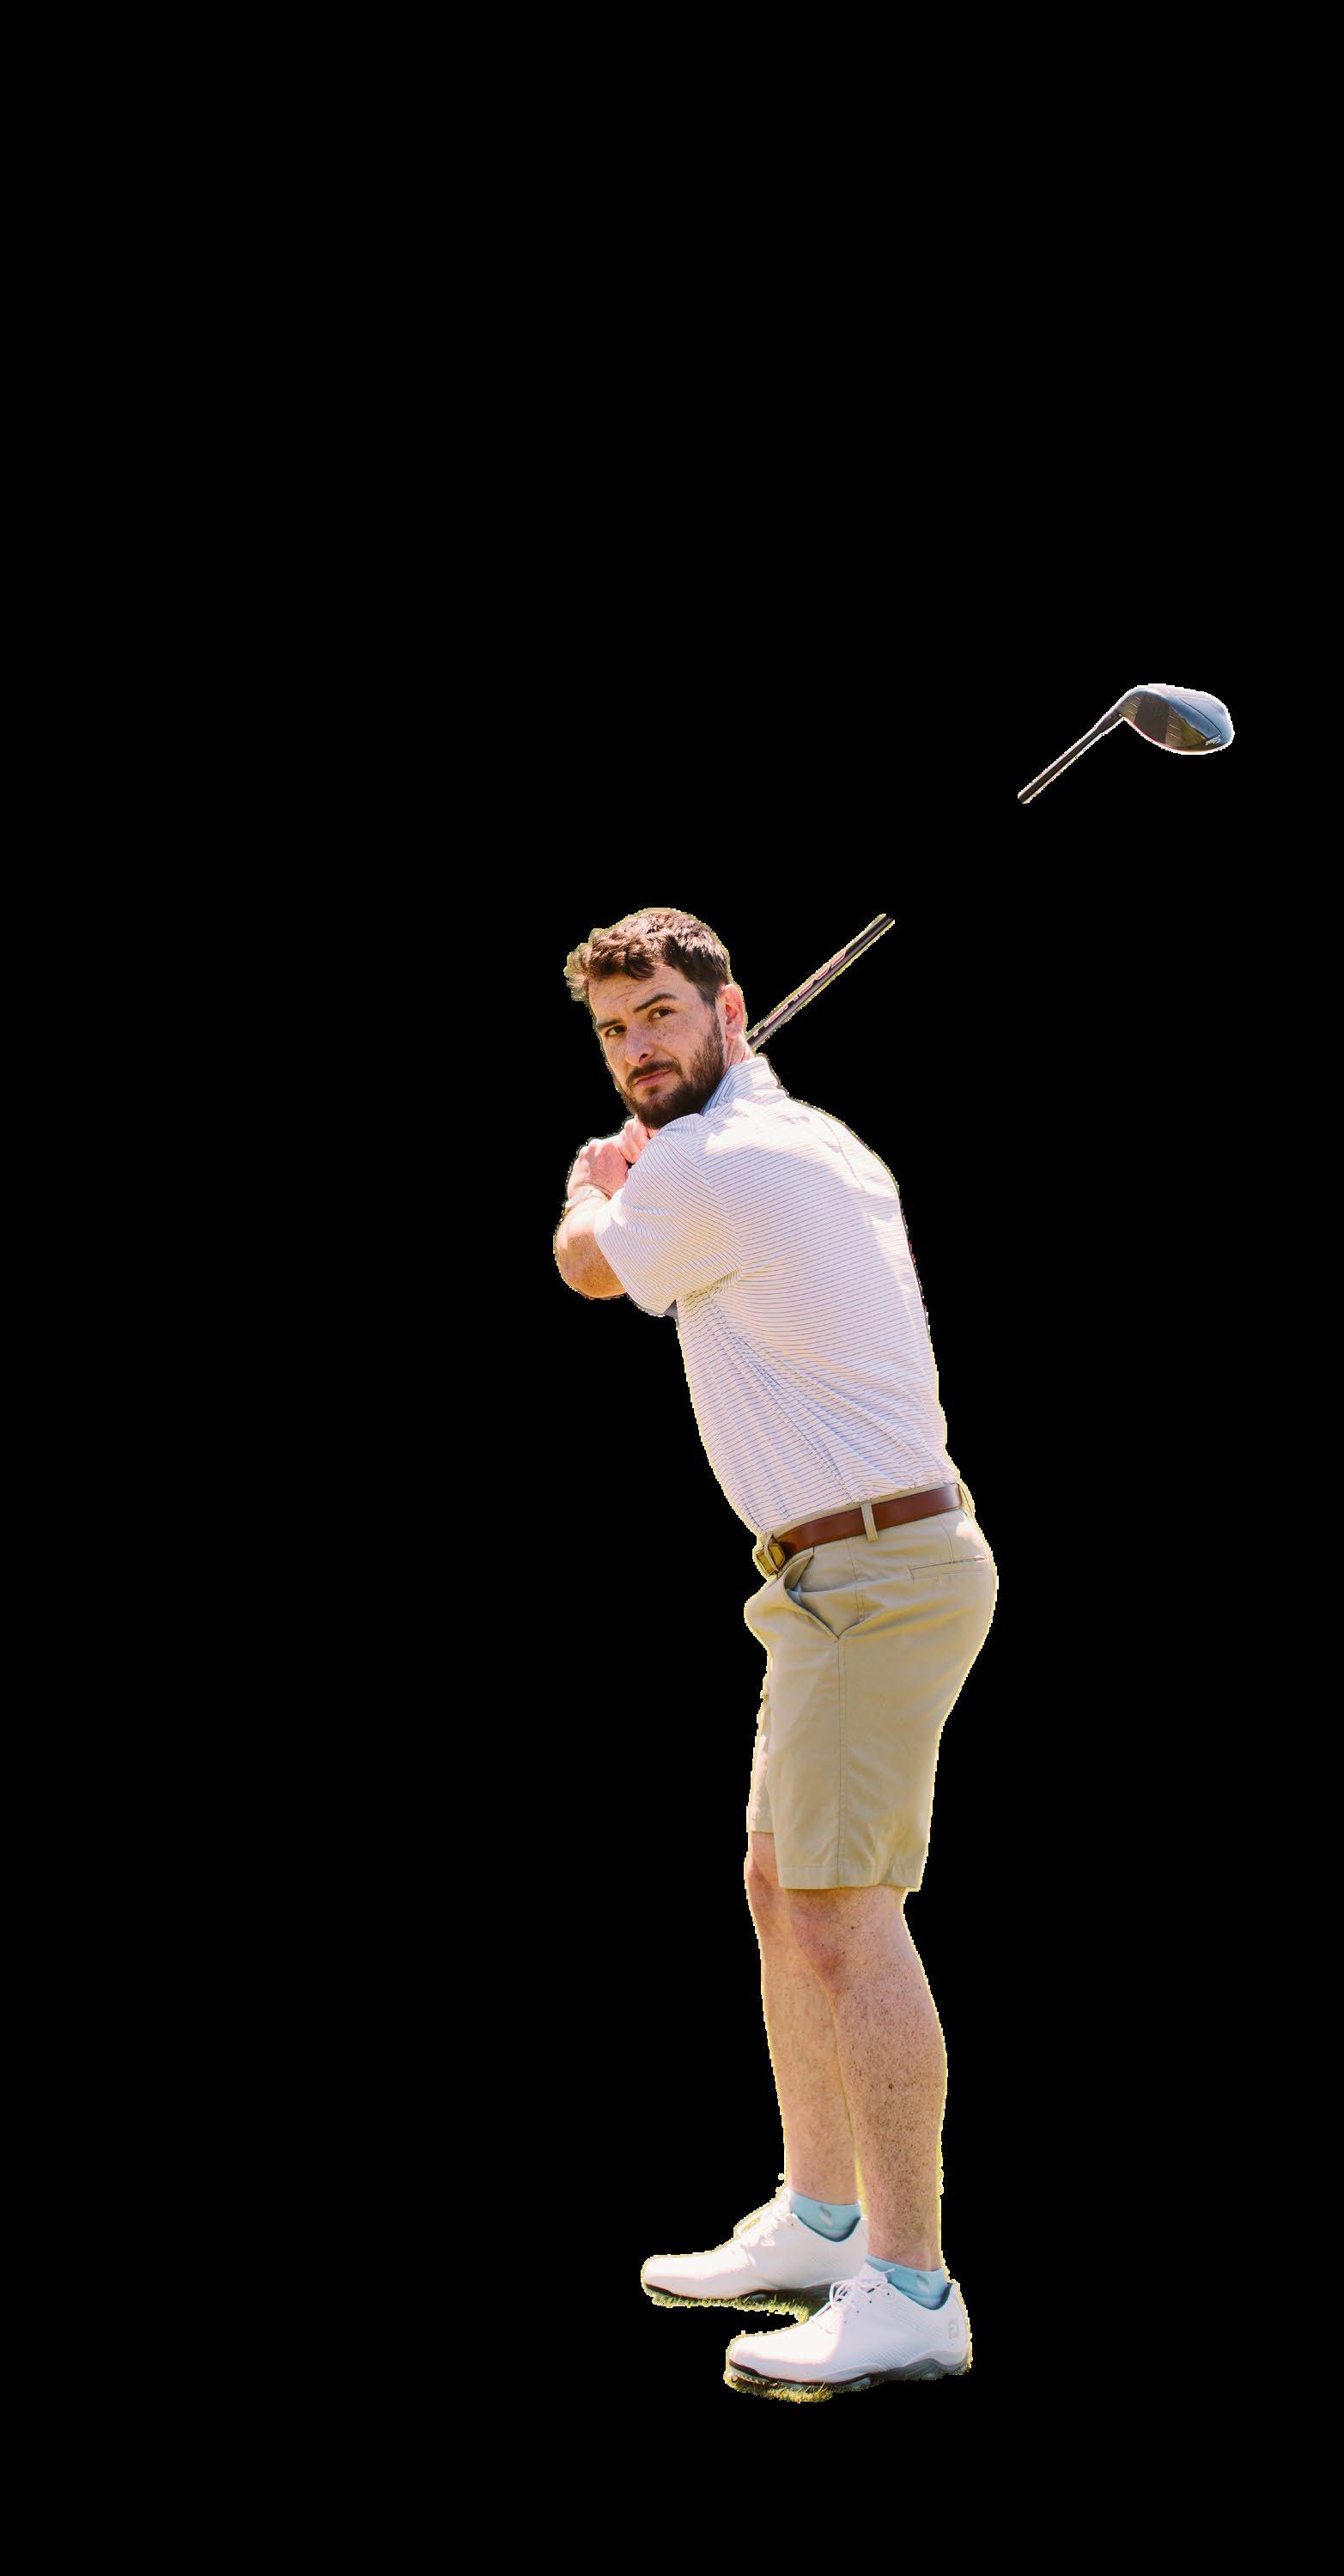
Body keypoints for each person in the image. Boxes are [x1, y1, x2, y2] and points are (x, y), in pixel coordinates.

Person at [553, 906, 997, 2397]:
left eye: (663, 1015)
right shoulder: (811, 1141)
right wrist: (652, 1164)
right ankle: (817, 2215)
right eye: (616, 1030)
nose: (639, 1047)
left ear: (731, 1011)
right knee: (778, 1879)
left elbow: (590, 1271)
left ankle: (912, 2286)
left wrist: (591, 1181)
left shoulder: (706, 1162)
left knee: (841, 1912)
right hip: (841, 1573)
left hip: (873, 1577)